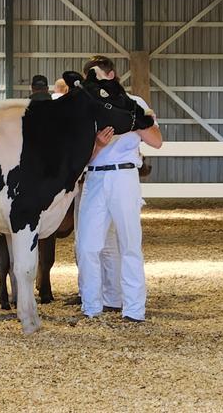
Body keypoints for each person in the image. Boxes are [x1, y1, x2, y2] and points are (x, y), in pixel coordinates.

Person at [76, 55, 162, 323]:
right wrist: (99, 145)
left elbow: (157, 141)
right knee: (88, 245)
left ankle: (134, 309)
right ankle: (91, 306)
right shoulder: (87, 108)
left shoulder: (135, 104)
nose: (94, 79)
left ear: (110, 75)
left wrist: (133, 121)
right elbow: (81, 157)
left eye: (97, 74)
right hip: (95, 177)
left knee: (129, 243)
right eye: (90, 76)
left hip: (125, 175)